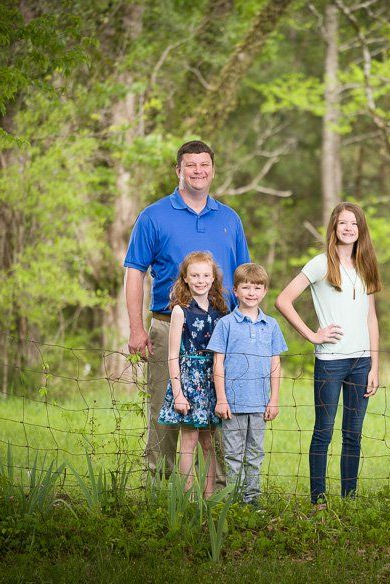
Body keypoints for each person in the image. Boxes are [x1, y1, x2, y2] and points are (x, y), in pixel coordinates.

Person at [124, 140, 250, 476]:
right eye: (191, 165)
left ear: (212, 170)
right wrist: (137, 329)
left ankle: (219, 490)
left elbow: (243, 276)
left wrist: (244, 327)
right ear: (179, 170)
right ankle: (160, 485)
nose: (198, 171)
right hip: (170, 326)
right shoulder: (153, 216)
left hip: (220, 328)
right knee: (163, 407)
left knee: (220, 406)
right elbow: (134, 271)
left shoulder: (229, 218)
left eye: (204, 164)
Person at [275, 202, 382, 506]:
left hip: (361, 363)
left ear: (361, 229)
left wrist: (374, 364)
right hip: (331, 363)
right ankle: (318, 500)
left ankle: (349, 500)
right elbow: (283, 300)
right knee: (323, 431)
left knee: (353, 434)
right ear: (334, 228)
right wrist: (312, 335)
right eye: (342, 223)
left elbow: (371, 317)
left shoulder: (366, 266)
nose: (348, 229)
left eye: (354, 224)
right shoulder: (321, 263)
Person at [207, 263, 288, 505]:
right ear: (235, 290)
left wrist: (274, 400)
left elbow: (276, 364)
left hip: (260, 403)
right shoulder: (226, 325)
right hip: (233, 403)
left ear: (264, 291)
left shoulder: (271, 325)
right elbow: (218, 364)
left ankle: (252, 500)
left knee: (255, 454)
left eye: (257, 287)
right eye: (246, 287)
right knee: (232, 454)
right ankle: (232, 501)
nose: (251, 292)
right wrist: (221, 399)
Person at [156, 251, 227, 496]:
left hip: (211, 379)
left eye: (206, 275)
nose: (200, 280)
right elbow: (173, 355)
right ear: (185, 278)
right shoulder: (180, 311)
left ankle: (208, 497)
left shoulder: (219, 310)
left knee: (208, 442)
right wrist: (178, 393)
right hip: (189, 381)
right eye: (194, 275)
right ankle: (187, 498)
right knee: (188, 440)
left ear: (213, 278)